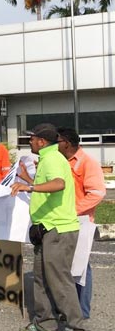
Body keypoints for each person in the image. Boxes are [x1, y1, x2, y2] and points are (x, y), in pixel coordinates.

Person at [11, 123, 88, 331]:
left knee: (59, 280)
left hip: (58, 229)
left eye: (32, 138)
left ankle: (77, 329)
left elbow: (59, 184)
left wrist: (29, 188)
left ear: (42, 141)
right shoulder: (48, 158)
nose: (30, 142)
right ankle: (44, 323)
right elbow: (49, 185)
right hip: (46, 229)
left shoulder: (53, 159)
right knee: (41, 277)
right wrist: (28, 180)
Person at [57, 127, 106, 319]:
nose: (55, 145)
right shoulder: (61, 161)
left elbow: (97, 193)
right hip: (64, 219)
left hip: (81, 221)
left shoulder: (87, 162)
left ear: (67, 143)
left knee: (81, 267)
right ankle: (68, 308)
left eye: (57, 141)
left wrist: (73, 210)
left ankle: (82, 312)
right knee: (65, 265)